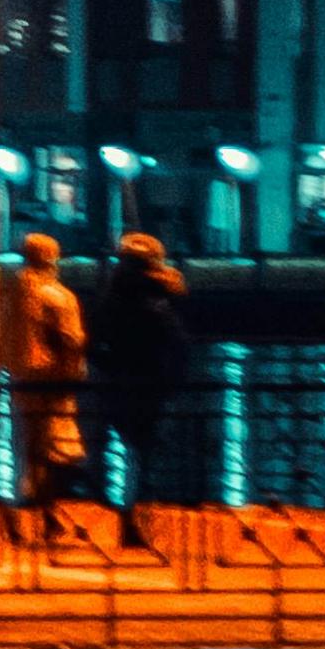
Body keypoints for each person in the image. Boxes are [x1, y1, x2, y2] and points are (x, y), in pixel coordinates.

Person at [95, 224, 192, 549]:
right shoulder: (159, 296)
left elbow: (98, 340)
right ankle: (136, 516)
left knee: (128, 448)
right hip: (150, 379)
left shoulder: (113, 295)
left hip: (121, 379)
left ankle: (127, 513)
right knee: (145, 451)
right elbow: (173, 338)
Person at [10, 227, 91, 543]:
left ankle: (24, 519)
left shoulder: (15, 292)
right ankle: (50, 520)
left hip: (21, 380)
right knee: (54, 453)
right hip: (54, 381)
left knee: (27, 452)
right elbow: (72, 340)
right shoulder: (58, 296)